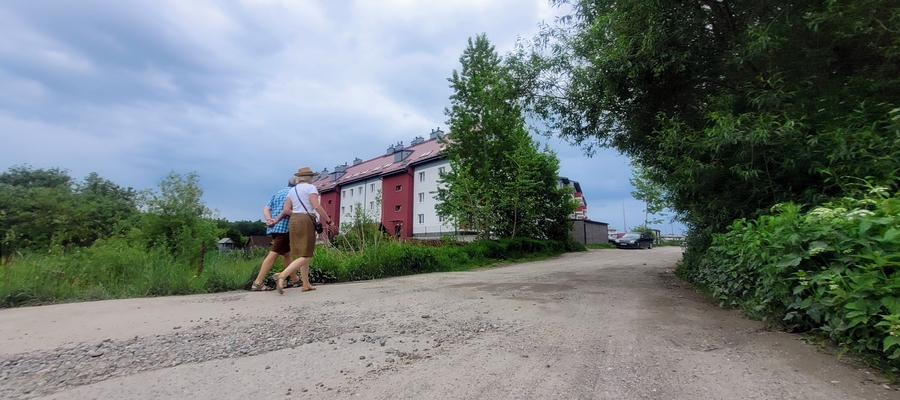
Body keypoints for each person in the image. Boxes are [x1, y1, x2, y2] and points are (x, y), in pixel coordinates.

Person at [270, 166, 335, 294]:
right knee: (307, 255)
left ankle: (306, 284)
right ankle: (282, 275)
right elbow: (316, 206)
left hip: (293, 220)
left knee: (302, 253)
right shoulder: (311, 188)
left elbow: (286, 209)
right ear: (309, 177)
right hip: (306, 220)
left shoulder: (292, 190)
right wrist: (328, 220)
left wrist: (277, 220)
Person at [250, 177, 302, 291]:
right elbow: (287, 210)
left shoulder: (277, 193)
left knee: (287, 254)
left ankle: (295, 280)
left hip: (273, 228)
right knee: (273, 254)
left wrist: (269, 219)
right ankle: (258, 282)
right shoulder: (294, 194)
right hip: (285, 228)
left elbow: (266, 208)